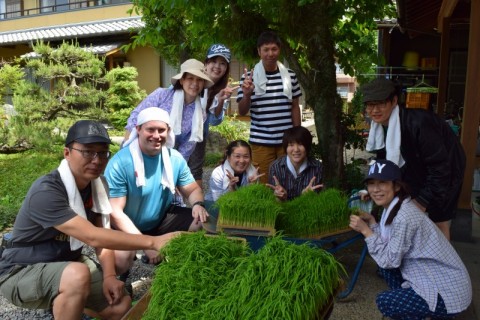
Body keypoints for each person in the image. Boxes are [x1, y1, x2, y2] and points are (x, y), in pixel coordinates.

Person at [0, 120, 179, 320]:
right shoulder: (47, 191)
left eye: (102, 153)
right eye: (87, 152)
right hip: (21, 269)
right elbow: (93, 237)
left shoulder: (97, 185)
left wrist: (110, 277)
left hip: (66, 260)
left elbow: (103, 235)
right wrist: (153, 241)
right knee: (77, 275)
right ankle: (67, 297)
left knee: (121, 306)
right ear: (67, 153)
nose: (96, 160)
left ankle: (72, 301)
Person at [349, 159, 472, 320]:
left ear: (397, 186)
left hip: (447, 291)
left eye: (382, 183)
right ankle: (421, 310)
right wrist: (372, 222)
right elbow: (390, 246)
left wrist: (366, 231)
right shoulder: (395, 207)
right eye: (371, 183)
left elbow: (390, 259)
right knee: (386, 269)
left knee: (385, 302)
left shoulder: (404, 216)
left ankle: (435, 314)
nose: (375, 189)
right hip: (430, 278)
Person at [105, 107, 208, 273]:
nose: (156, 135)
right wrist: (147, 243)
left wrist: (197, 203)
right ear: (138, 129)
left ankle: (178, 270)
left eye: (161, 130)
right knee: (121, 257)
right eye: (150, 129)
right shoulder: (121, 163)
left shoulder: (174, 158)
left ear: (168, 131)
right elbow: (115, 213)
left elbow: (192, 189)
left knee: (200, 222)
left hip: (159, 219)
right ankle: (119, 282)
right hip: (125, 225)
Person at [360, 77, 466, 240]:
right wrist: (373, 188)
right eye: (370, 105)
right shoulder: (380, 127)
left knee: (438, 220)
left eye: (380, 103)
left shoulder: (419, 123)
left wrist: (422, 201)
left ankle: (441, 262)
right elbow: (384, 163)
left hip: (447, 169)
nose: (374, 110)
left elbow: (440, 167)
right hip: (417, 167)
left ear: (394, 101)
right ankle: (416, 260)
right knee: (411, 209)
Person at [237, 30, 302, 183]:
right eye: (266, 49)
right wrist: (246, 94)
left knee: (289, 181)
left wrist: (297, 136)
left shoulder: (290, 76)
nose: (270, 53)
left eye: (274, 49)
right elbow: (242, 110)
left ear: (279, 50)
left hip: (286, 142)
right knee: (263, 183)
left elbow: (294, 107)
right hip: (260, 143)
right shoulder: (248, 78)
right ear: (259, 51)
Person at [124, 58, 215, 161]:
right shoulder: (162, 95)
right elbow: (136, 116)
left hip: (165, 156)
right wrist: (127, 149)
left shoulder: (200, 114)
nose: (195, 83)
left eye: (199, 80)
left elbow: (187, 146)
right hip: (138, 147)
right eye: (190, 78)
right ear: (182, 80)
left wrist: (175, 166)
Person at [187, 44, 239, 187]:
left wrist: (221, 100)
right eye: (214, 61)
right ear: (206, 63)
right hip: (178, 133)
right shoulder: (193, 80)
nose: (217, 66)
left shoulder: (224, 90)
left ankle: (194, 205)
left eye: (222, 63)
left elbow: (215, 121)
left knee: (195, 171)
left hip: (198, 136)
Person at [266, 126, 323, 201]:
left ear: (307, 146)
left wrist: (308, 197)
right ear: (285, 147)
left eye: (300, 144)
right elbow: (272, 199)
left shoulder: (317, 167)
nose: (296, 150)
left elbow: (319, 199)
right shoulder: (275, 167)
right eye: (291, 145)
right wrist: (280, 197)